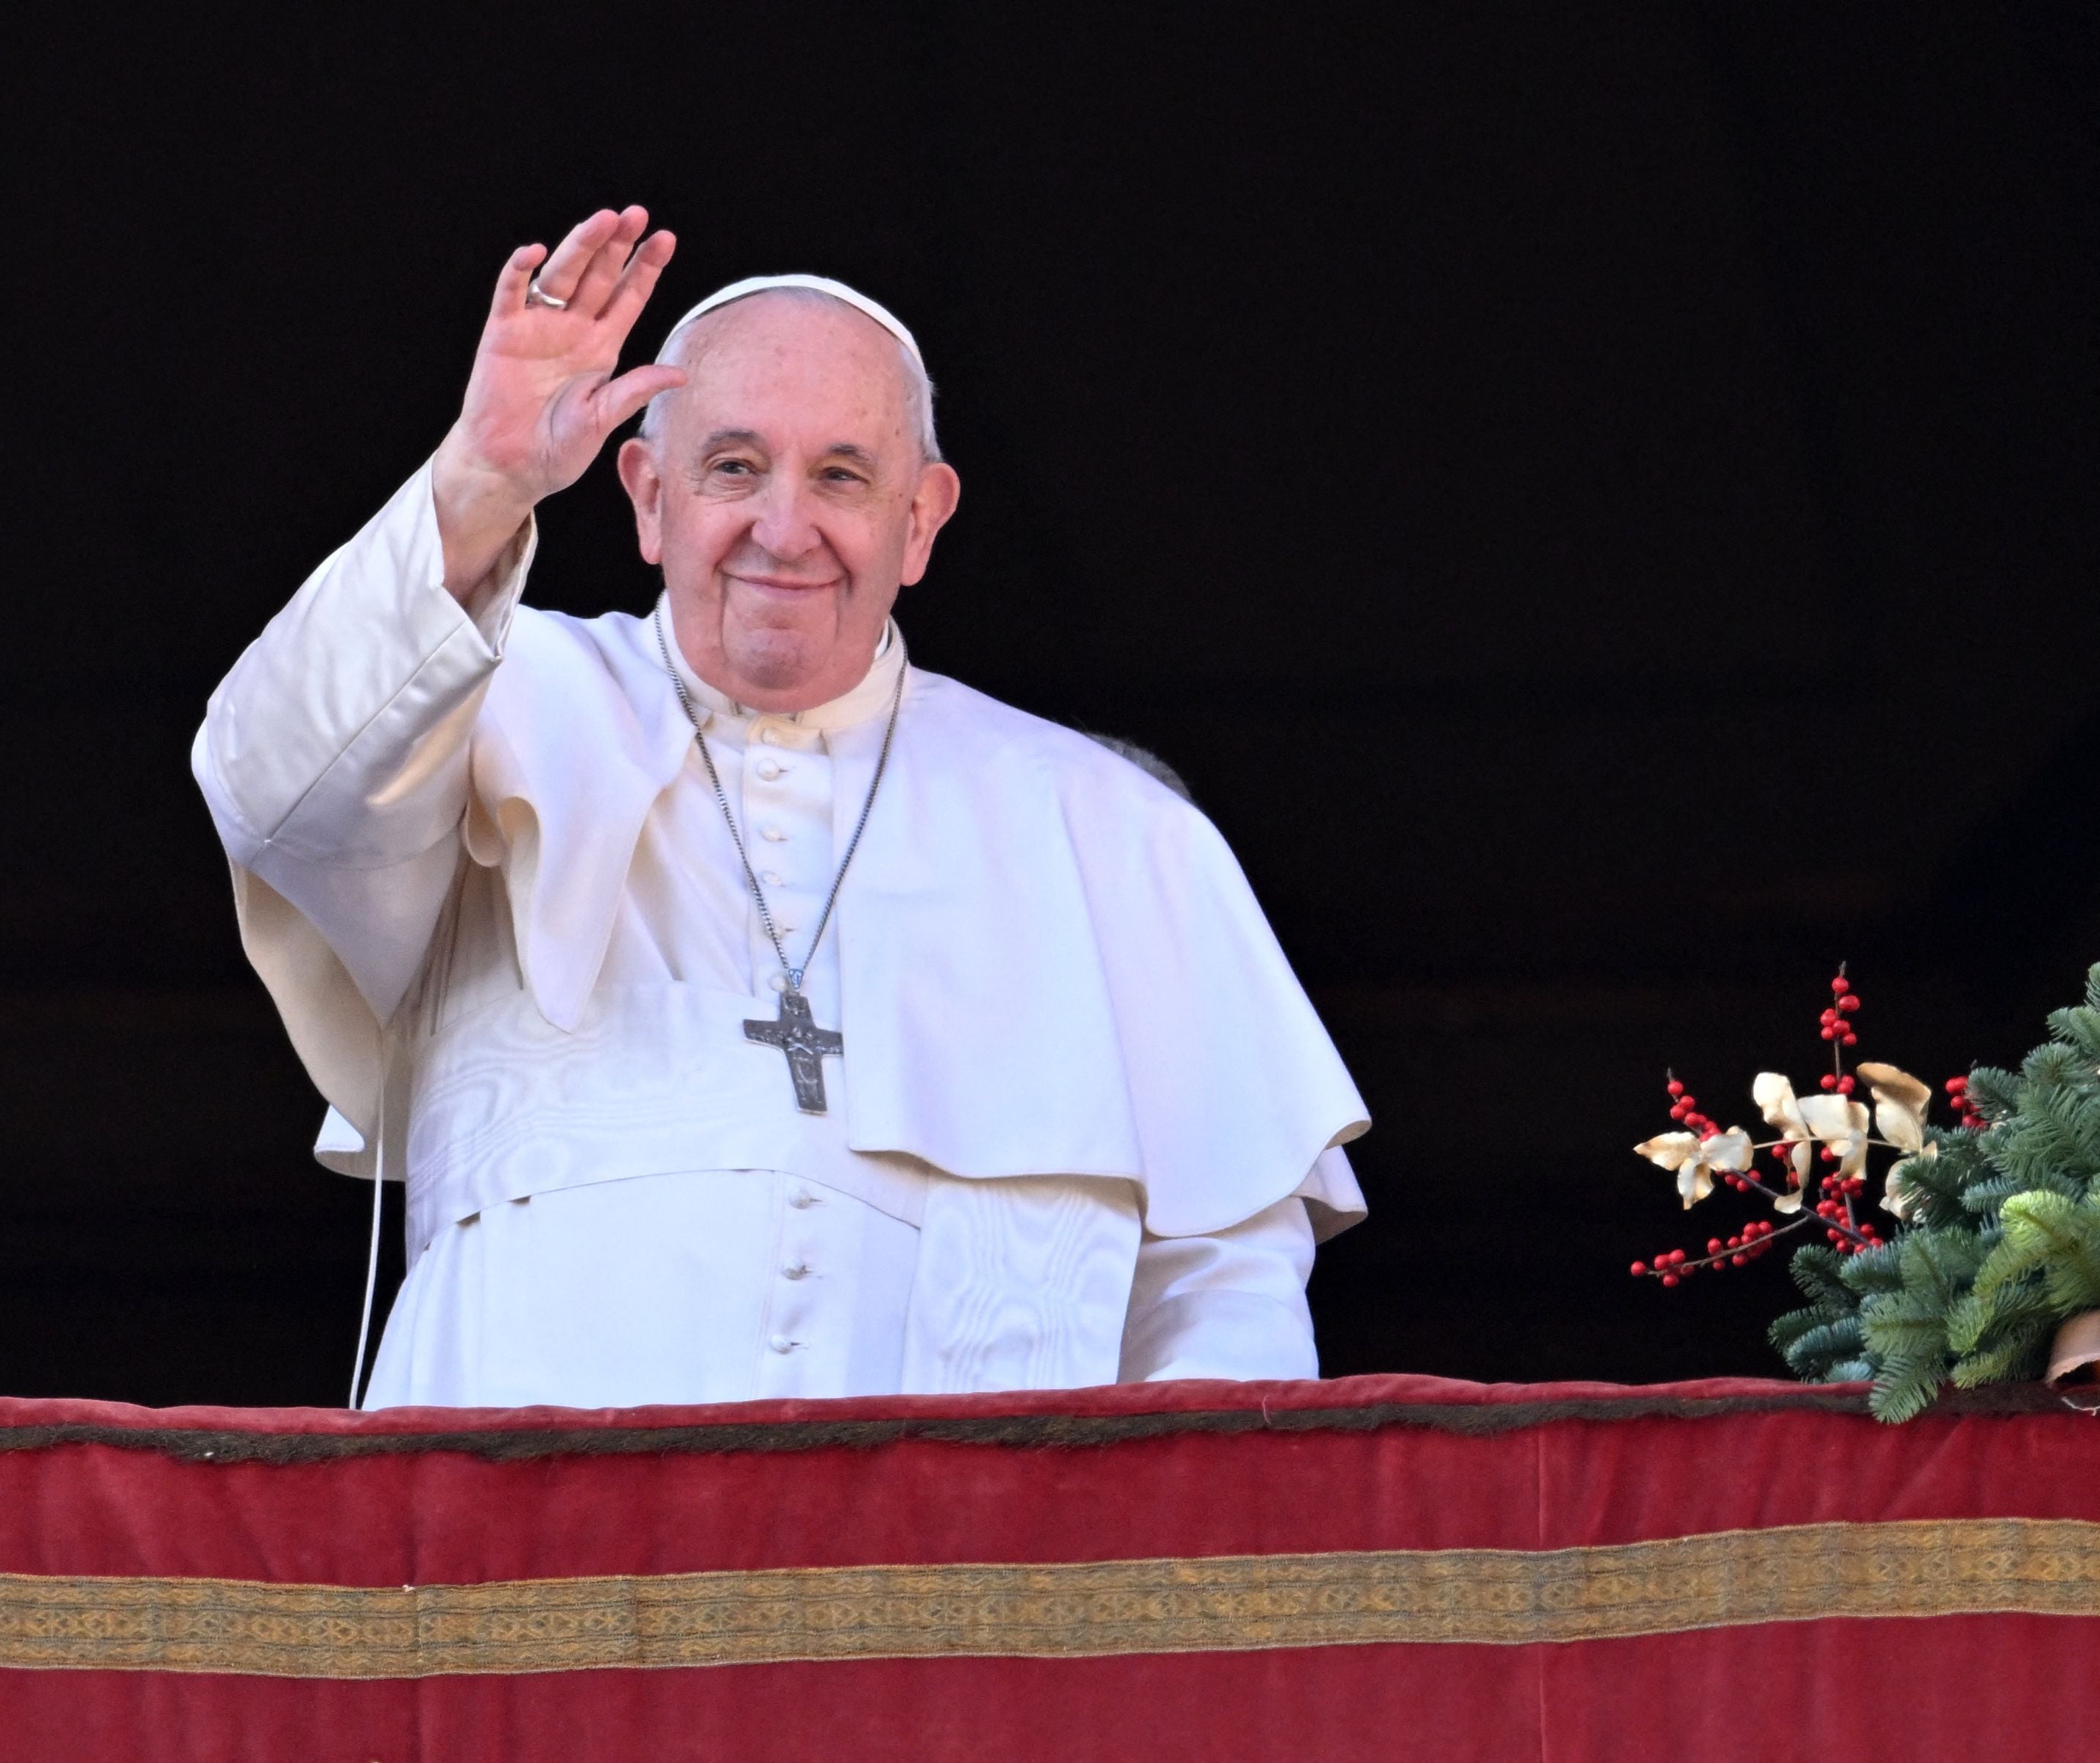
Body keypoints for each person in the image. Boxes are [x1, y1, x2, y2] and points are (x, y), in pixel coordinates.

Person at [192, 206, 1369, 1410]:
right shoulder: (489, 699)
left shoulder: (1114, 833)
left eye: (843, 477)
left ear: (922, 521)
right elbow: (275, 784)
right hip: (521, 1570)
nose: (783, 528)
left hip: (951, 1585)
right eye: (735, 467)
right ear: (647, 496)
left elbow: (1225, 1296)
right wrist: (481, 484)